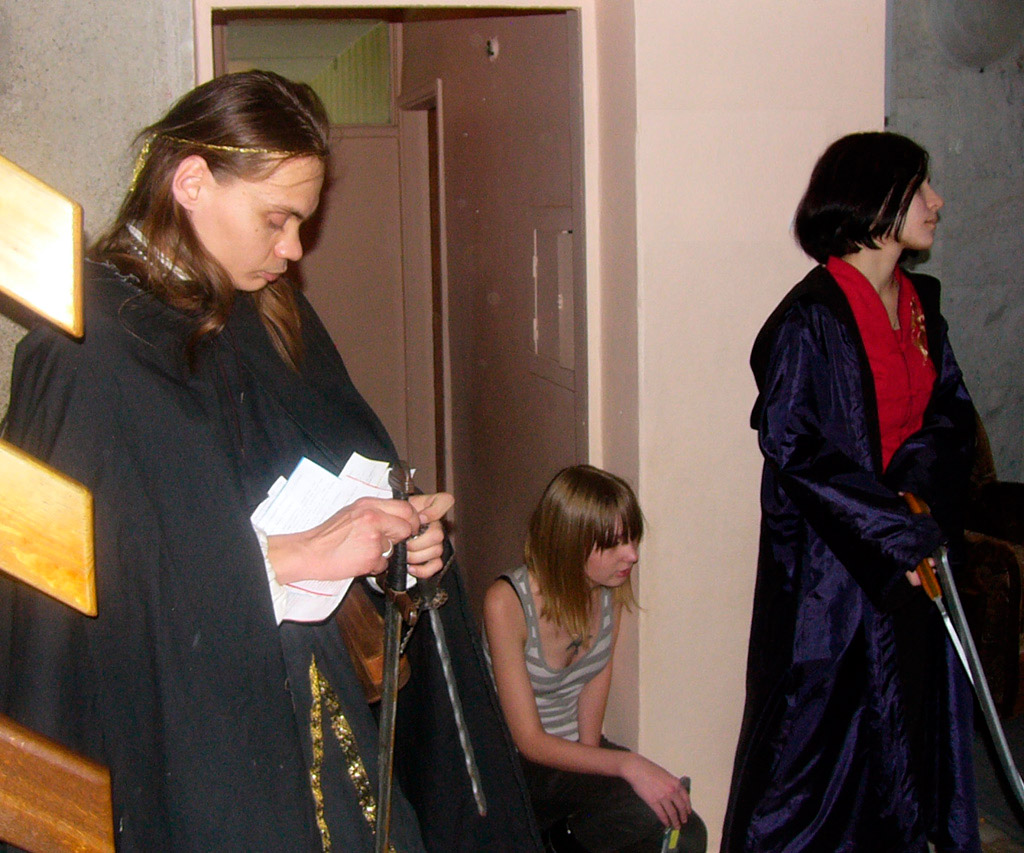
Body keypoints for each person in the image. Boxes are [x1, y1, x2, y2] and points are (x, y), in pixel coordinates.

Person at [0, 71, 540, 851]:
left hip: (308, 705)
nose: (292, 250)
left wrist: (392, 539)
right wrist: (291, 557)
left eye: (300, 224)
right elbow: (74, 609)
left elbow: (329, 471)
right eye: (276, 219)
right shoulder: (86, 350)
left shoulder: (265, 314)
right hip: (186, 754)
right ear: (192, 183)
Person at [721, 132, 979, 852]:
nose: (936, 201)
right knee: (816, 754)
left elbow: (950, 416)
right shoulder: (811, 317)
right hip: (832, 577)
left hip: (912, 555)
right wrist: (892, 531)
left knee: (906, 738)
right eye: (919, 187)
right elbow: (794, 446)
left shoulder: (920, 304)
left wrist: (916, 509)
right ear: (873, 201)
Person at [483, 465, 708, 853]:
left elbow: (593, 691)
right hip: (517, 768)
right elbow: (529, 741)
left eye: (632, 539)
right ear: (570, 542)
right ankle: (554, 844)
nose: (632, 555)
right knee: (643, 810)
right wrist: (628, 766)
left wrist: (596, 782)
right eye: (614, 544)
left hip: (573, 755)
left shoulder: (608, 592)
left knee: (685, 832)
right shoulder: (507, 602)